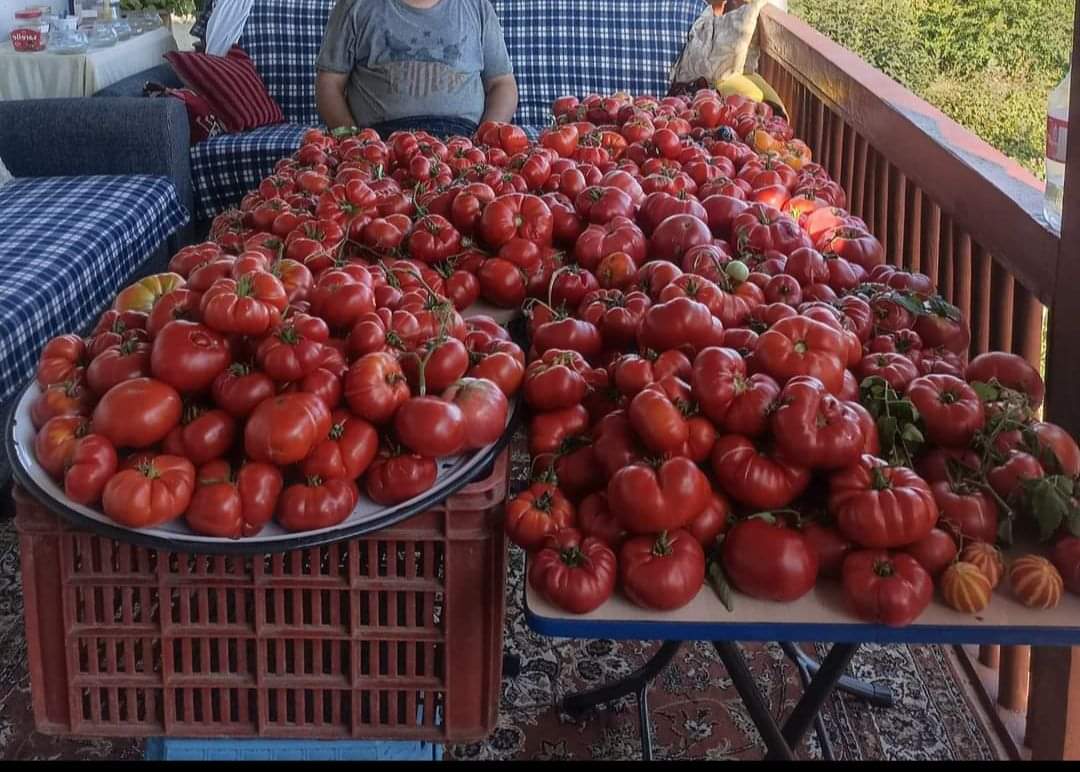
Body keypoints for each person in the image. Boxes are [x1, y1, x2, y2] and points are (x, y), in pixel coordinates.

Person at [315, 0, 518, 138]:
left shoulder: (476, 6)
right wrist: (353, 140)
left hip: (464, 143)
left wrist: (485, 138)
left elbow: (502, 84)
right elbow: (329, 84)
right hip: (379, 144)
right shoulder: (354, 6)